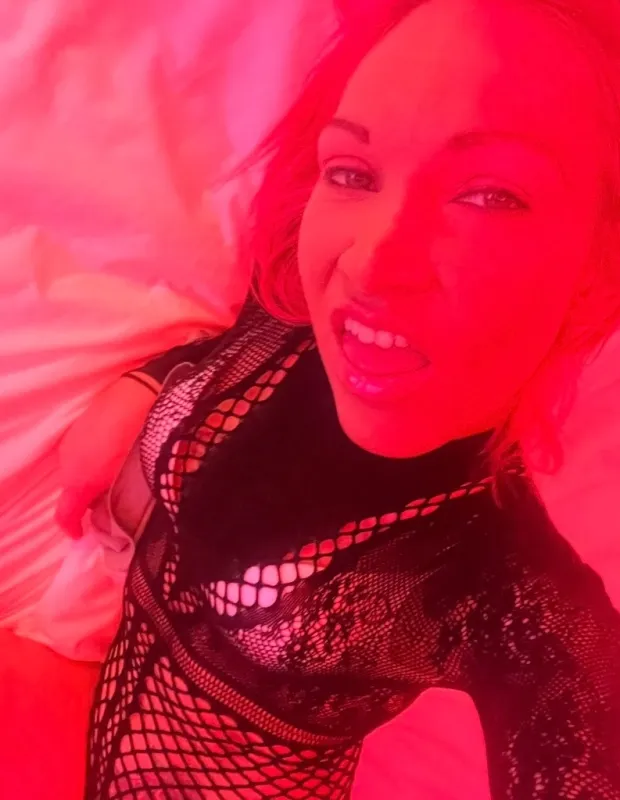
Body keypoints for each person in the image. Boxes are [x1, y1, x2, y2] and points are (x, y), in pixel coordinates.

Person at [84, 0, 620, 798]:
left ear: (598, 267)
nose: (370, 264)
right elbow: (221, 346)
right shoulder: (292, 322)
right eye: (353, 173)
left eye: (489, 195)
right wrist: (145, 384)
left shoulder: (519, 599)